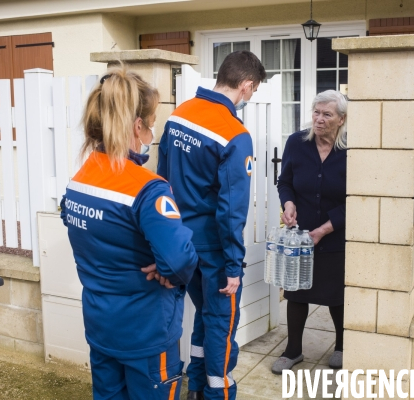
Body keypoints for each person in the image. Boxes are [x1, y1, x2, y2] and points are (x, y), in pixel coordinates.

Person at [61, 66, 198, 400]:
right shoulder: (149, 189)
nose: (152, 131)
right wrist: (168, 269)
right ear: (138, 126)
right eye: (151, 123)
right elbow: (180, 259)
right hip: (147, 331)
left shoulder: (78, 181)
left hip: (100, 324)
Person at [157, 50, 266, 400]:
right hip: (213, 252)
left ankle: (196, 388)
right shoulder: (235, 134)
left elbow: (160, 184)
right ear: (246, 86)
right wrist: (233, 266)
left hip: (179, 245)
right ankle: (216, 392)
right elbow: (231, 210)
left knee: (203, 316)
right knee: (220, 323)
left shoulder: (178, 116)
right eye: (253, 91)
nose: (250, 97)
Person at [271, 90, 347, 374]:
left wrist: (326, 228)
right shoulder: (297, 143)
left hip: (336, 234)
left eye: (327, 114)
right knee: (296, 293)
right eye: (316, 112)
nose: (319, 119)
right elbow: (285, 181)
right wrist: (288, 203)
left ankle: (341, 346)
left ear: (341, 119)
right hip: (301, 236)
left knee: (337, 295)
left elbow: (357, 197)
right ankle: (293, 350)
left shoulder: (352, 148)